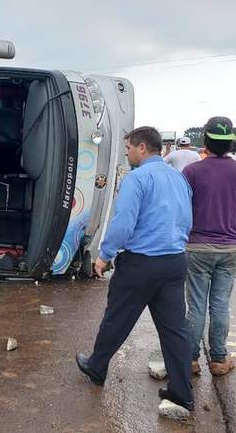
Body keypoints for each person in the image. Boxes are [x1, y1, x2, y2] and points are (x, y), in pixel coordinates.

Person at [76, 126, 194, 412]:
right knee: (175, 330)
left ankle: (97, 366)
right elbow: (187, 219)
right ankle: (182, 393)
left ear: (142, 148)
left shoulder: (137, 178)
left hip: (141, 263)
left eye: (129, 148)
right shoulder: (178, 178)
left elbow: (123, 223)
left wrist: (104, 256)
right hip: (175, 262)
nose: (127, 153)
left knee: (117, 317)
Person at [182, 116, 236, 377]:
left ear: (205, 141)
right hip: (230, 249)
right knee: (220, 304)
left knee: (196, 305)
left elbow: (181, 209)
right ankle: (218, 360)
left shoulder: (192, 171)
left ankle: (190, 359)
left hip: (197, 247)